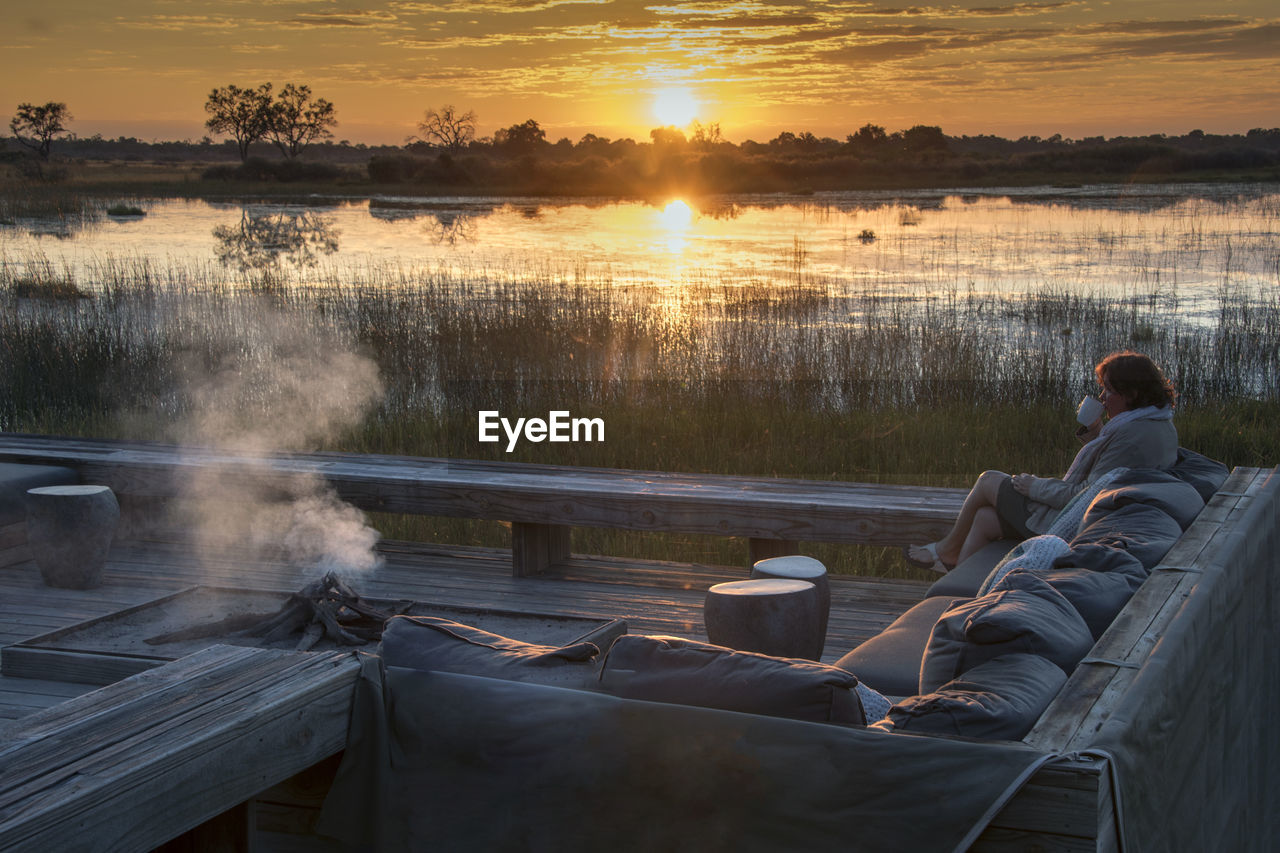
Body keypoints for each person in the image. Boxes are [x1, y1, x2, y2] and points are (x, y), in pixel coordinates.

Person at [904, 350, 1179, 573]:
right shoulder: (1153, 423)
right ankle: (956, 593)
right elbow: (1104, 473)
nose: (1102, 398)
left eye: (1108, 391)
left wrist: (1033, 486)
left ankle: (946, 550)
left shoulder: (1131, 436)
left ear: (1131, 394)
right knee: (985, 518)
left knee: (989, 480)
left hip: (1073, 525)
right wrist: (1096, 434)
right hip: (1101, 520)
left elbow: (1082, 498)